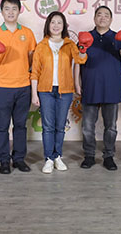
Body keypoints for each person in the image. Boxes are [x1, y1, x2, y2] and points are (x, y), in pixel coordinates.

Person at [76, 6, 121, 171]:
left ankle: (109, 156)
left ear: (111, 19)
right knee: (87, 126)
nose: (102, 17)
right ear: (94, 18)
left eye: (106, 15)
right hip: (90, 86)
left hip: (111, 87)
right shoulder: (86, 37)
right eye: (99, 14)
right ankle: (89, 155)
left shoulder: (117, 37)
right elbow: (78, 60)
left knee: (111, 126)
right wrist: (77, 84)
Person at [0, 0, 36, 174]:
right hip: (2, 86)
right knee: (2, 126)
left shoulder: (28, 33)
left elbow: (33, 60)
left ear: (19, 10)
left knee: (20, 125)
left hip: (23, 86)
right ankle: (4, 160)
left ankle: (19, 159)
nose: (11, 12)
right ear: (2, 12)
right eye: (7, 8)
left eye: (14, 8)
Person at [31, 11, 87, 174]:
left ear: (64, 26)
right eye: (53, 22)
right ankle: (49, 158)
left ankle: (58, 156)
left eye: (59, 22)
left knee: (60, 126)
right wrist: (34, 94)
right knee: (48, 126)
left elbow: (80, 59)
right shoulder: (41, 46)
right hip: (45, 91)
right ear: (48, 25)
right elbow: (35, 72)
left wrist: (83, 48)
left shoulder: (70, 44)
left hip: (65, 90)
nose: (56, 25)